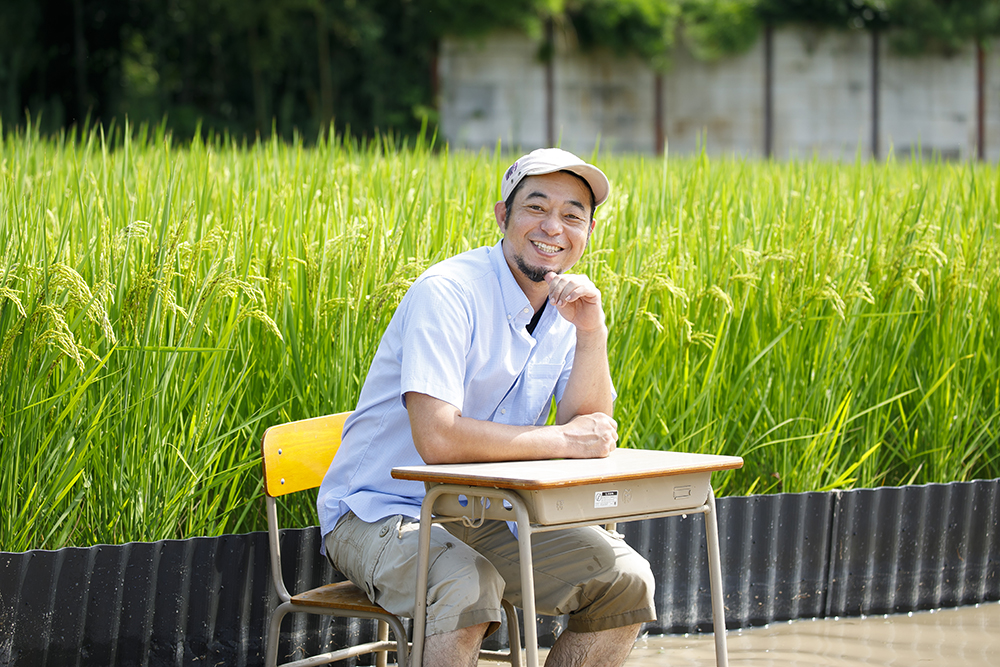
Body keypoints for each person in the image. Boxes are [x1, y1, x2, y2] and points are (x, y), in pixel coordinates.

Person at [317, 148, 656, 666]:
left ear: (588, 232)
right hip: (381, 508)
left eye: (572, 216)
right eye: (536, 208)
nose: (553, 228)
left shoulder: (567, 306)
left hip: (482, 511)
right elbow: (439, 439)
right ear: (503, 215)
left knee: (626, 582)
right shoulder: (448, 293)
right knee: (467, 584)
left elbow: (588, 426)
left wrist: (592, 333)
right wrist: (564, 442)